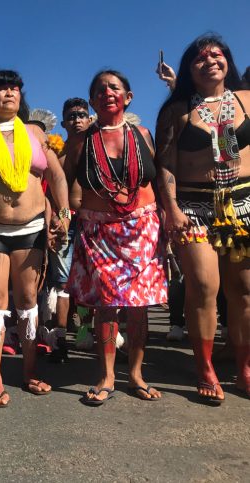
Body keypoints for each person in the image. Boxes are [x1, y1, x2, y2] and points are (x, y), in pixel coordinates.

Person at [0, 70, 70, 407]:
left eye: (15, 88)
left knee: (27, 300)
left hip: (31, 227)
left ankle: (29, 371)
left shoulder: (36, 133)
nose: (10, 93)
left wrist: (62, 214)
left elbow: (57, 176)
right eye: (2, 88)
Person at [155, 35, 249, 402]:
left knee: (243, 292)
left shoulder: (246, 100)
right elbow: (165, 164)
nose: (209, 60)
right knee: (203, 287)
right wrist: (172, 209)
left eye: (217, 53)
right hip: (194, 209)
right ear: (188, 68)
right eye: (199, 57)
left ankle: (244, 367)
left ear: (227, 60)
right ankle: (205, 367)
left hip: (244, 205)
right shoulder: (176, 111)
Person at [65, 70, 166, 405]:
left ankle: (136, 374)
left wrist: (168, 220)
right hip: (100, 232)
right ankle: (107, 375)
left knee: (138, 308)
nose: (107, 91)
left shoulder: (143, 134)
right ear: (93, 101)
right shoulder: (81, 142)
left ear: (129, 97)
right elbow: (63, 182)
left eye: (115, 87)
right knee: (106, 307)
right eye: (100, 89)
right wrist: (64, 215)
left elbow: (158, 181)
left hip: (143, 230)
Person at [46, 98, 92, 362]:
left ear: (89, 118)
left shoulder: (98, 147)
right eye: (72, 116)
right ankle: (60, 339)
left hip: (94, 221)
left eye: (81, 114)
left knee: (89, 281)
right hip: (65, 221)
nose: (77, 119)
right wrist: (56, 220)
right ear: (63, 122)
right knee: (62, 282)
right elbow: (49, 192)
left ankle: (86, 332)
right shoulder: (56, 153)